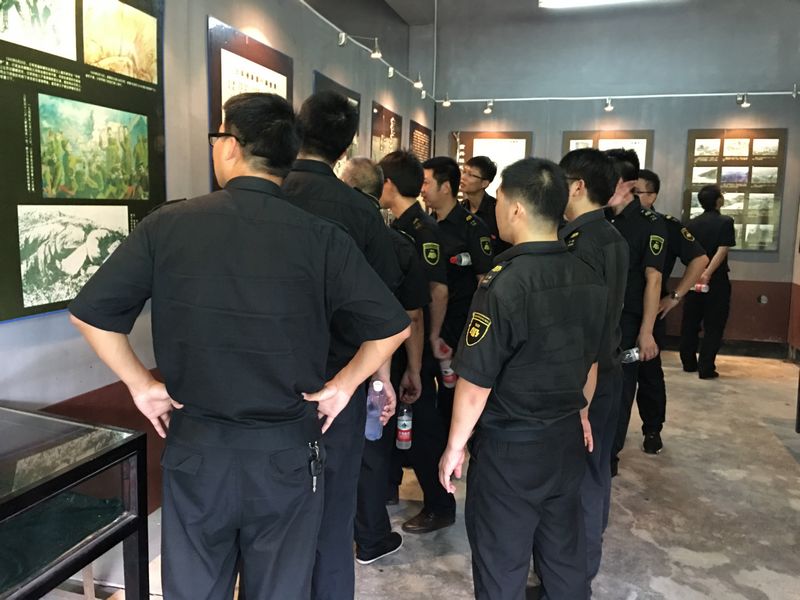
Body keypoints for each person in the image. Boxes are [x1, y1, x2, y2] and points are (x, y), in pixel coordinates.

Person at [67, 93, 410, 600]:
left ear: (230, 145)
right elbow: (392, 327)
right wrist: (342, 387)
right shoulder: (322, 237)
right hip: (286, 453)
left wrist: (142, 386)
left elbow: (90, 313)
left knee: (195, 590)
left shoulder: (169, 224)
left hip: (197, 448)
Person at [439, 157, 606, 600]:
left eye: (500, 201)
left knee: (502, 564)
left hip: (511, 449)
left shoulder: (504, 283)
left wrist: (455, 447)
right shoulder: (588, 277)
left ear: (515, 208)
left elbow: (476, 385)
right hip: (565, 440)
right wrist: (581, 413)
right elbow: (592, 362)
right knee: (564, 557)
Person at [281, 91, 404, 600]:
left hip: (267, 384)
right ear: (346, 146)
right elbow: (384, 310)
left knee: (273, 524)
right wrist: (379, 379)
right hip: (340, 385)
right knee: (334, 520)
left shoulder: (267, 197)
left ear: (297, 130)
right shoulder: (360, 211)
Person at [340, 157, 430, 564]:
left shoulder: (322, 235)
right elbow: (411, 316)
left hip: (323, 364)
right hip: (377, 365)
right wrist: (411, 369)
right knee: (372, 451)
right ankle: (372, 537)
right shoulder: (396, 244)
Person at [406, 156, 493, 534]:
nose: (422, 188)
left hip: (457, 338)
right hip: (422, 335)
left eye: (427, 182)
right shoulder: (421, 226)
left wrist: (465, 339)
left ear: (446, 186)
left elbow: (485, 285)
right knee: (427, 417)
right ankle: (434, 490)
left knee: (452, 416)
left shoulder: (473, 228)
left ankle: (444, 496)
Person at [558, 148, 629, 593]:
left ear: (578, 186)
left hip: (586, 374)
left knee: (581, 473)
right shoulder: (610, 235)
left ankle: (574, 576)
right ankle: (584, 563)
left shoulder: (580, 242)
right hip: (606, 368)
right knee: (596, 467)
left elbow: (580, 324)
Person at [378, 150, 455, 530]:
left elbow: (437, 291)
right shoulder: (398, 225)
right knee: (394, 416)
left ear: (388, 184)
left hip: (416, 343)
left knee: (423, 425)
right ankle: (389, 485)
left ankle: (440, 504)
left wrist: (431, 340)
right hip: (398, 343)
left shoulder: (422, 230)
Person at [634, 170, 708, 453]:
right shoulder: (613, 222)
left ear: (652, 196)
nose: (631, 198)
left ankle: (652, 429)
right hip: (618, 310)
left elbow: (700, 259)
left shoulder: (666, 225)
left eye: (637, 193)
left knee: (649, 373)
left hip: (651, 311)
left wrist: (675, 296)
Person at [604, 149, 667, 476]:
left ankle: (609, 457)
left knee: (620, 390)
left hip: (626, 323)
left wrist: (646, 332)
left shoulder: (650, 225)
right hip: (594, 319)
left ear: (625, 184)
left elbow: (653, 279)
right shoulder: (599, 219)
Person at [680, 184, 736, 379]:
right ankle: (706, 367)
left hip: (692, 277)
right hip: (716, 279)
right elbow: (722, 249)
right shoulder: (726, 222)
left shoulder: (691, 224)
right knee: (714, 324)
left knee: (690, 321)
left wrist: (697, 272)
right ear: (719, 200)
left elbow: (686, 253)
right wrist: (708, 273)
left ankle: (688, 363)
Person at [459, 155, 511, 254]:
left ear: (484, 183)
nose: (463, 177)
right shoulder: (460, 209)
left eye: (470, 175)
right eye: (464, 172)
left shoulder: (497, 211)